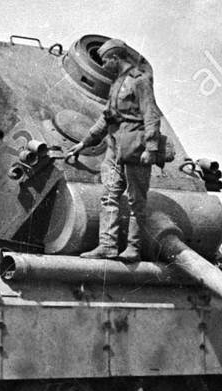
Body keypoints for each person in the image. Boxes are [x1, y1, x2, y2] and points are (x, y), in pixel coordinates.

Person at [63, 38, 162, 262]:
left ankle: (133, 248)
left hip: (135, 148)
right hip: (115, 147)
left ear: (116, 58)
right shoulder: (117, 84)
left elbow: (151, 115)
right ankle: (107, 246)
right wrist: (85, 142)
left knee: (136, 202)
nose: (104, 65)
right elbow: (107, 117)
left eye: (106, 61)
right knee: (108, 196)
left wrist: (151, 148)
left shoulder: (140, 81)